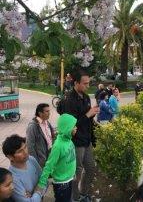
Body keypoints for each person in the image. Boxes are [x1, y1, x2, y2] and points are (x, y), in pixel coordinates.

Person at [56, 71, 98, 201]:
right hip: (76, 142)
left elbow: (88, 120)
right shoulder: (69, 100)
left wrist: (92, 117)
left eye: (88, 83)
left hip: (87, 140)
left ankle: (84, 193)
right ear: (76, 83)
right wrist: (88, 114)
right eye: (85, 83)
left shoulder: (85, 97)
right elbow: (71, 126)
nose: (87, 86)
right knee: (77, 172)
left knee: (91, 167)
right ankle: (76, 197)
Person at [36, 114, 78, 202]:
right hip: (62, 184)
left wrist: (72, 173)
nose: (76, 128)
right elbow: (49, 165)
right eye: (74, 126)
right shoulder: (58, 146)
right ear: (67, 128)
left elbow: (70, 159)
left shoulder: (68, 139)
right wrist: (41, 184)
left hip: (69, 179)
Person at [3, 135, 44, 201]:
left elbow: (44, 180)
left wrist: (34, 194)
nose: (25, 152)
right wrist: (39, 190)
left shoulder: (31, 160)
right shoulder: (12, 178)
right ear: (10, 157)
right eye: (20, 151)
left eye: (25, 147)